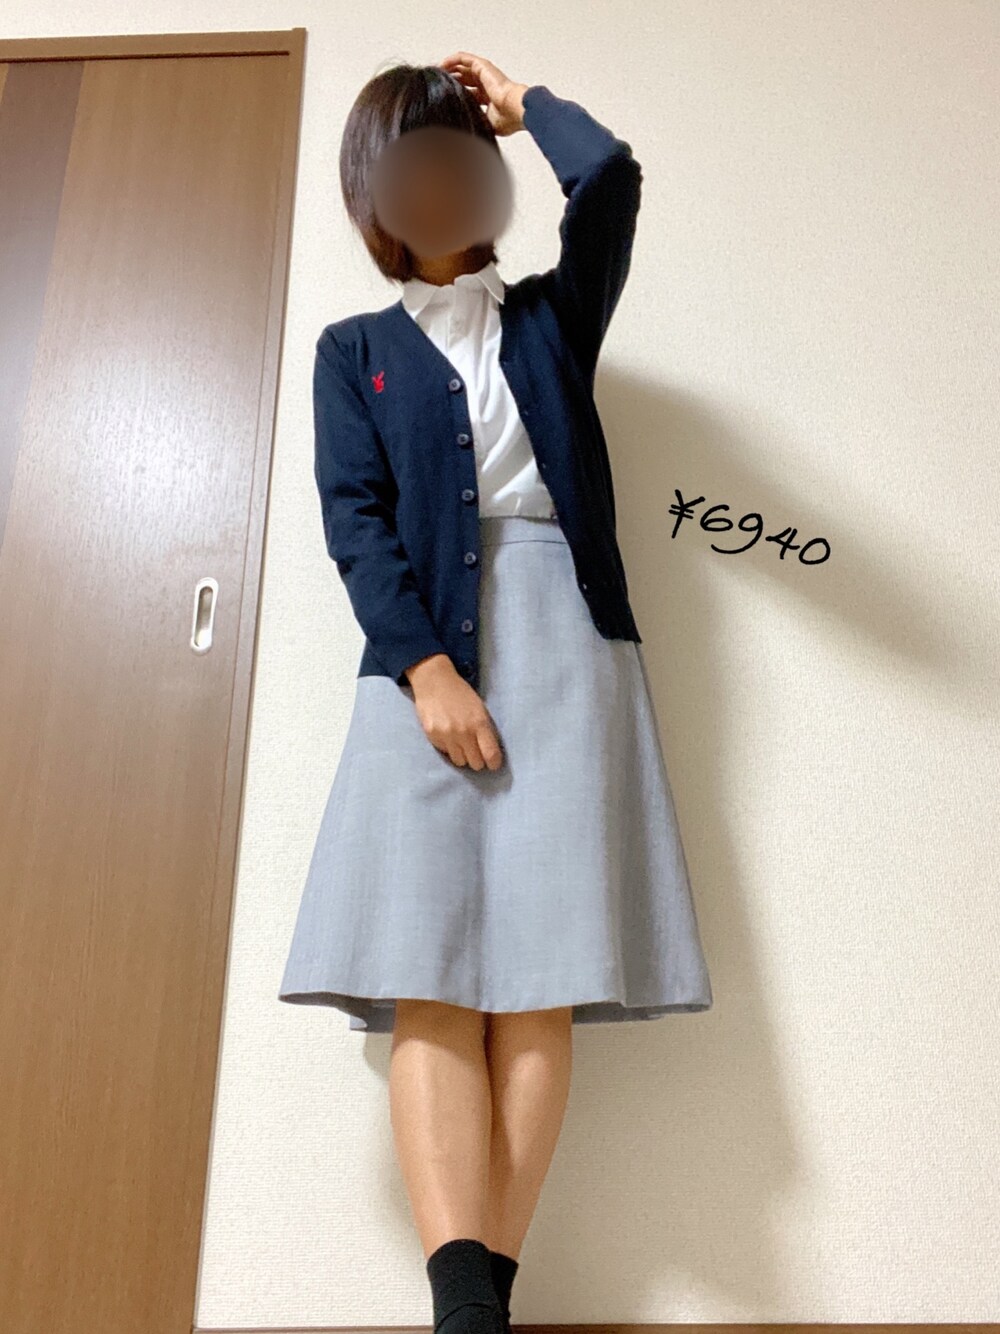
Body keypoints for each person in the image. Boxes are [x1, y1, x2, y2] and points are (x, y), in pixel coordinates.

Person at [278, 51, 713, 1334]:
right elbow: (356, 524)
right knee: (428, 971)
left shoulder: (549, 320)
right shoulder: (352, 350)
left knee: (536, 972)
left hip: (566, 650)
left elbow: (609, 179)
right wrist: (428, 672)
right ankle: (465, 1302)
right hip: (418, 654)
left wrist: (528, 111)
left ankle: (480, 1311)